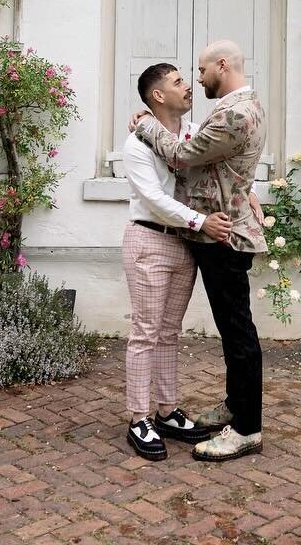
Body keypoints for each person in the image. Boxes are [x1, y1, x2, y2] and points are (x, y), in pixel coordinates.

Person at [132, 39, 268, 463]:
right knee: (231, 330)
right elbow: (223, 165)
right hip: (215, 232)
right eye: (185, 76)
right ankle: (234, 406)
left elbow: (185, 153)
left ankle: (246, 428)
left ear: (222, 66)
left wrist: (145, 125)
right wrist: (245, 192)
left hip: (222, 236)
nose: (197, 78)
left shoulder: (233, 113)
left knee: (237, 331)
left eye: (202, 69)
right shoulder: (242, 108)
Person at [119, 62, 230, 460]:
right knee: (146, 332)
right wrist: (202, 221)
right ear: (157, 96)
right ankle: (138, 418)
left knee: (169, 331)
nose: (188, 86)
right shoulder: (136, 145)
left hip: (184, 245)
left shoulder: (193, 134)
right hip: (148, 239)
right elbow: (154, 199)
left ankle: (166, 411)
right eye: (179, 81)